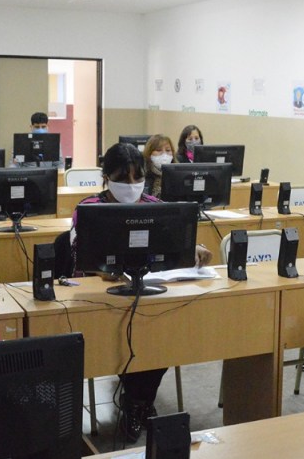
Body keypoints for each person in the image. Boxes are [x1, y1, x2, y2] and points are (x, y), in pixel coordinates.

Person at [71, 142, 211, 442]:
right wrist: (102, 270)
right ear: (106, 177)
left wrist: (193, 249)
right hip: (102, 301)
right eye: (123, 178)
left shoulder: (154, 205)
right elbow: (77, 254)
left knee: (162, 335)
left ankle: (136, 402)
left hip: (148, 294)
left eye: (138, 178)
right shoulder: (90, 208)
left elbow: (173, 242)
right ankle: (140, 404)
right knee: (138, 335)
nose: (132, 185)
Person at [142, 133, 176, 197]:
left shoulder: (176, 175)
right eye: (158, 150)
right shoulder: (142, 175)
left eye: (168, 150)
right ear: (149, 153)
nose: (164, 154)